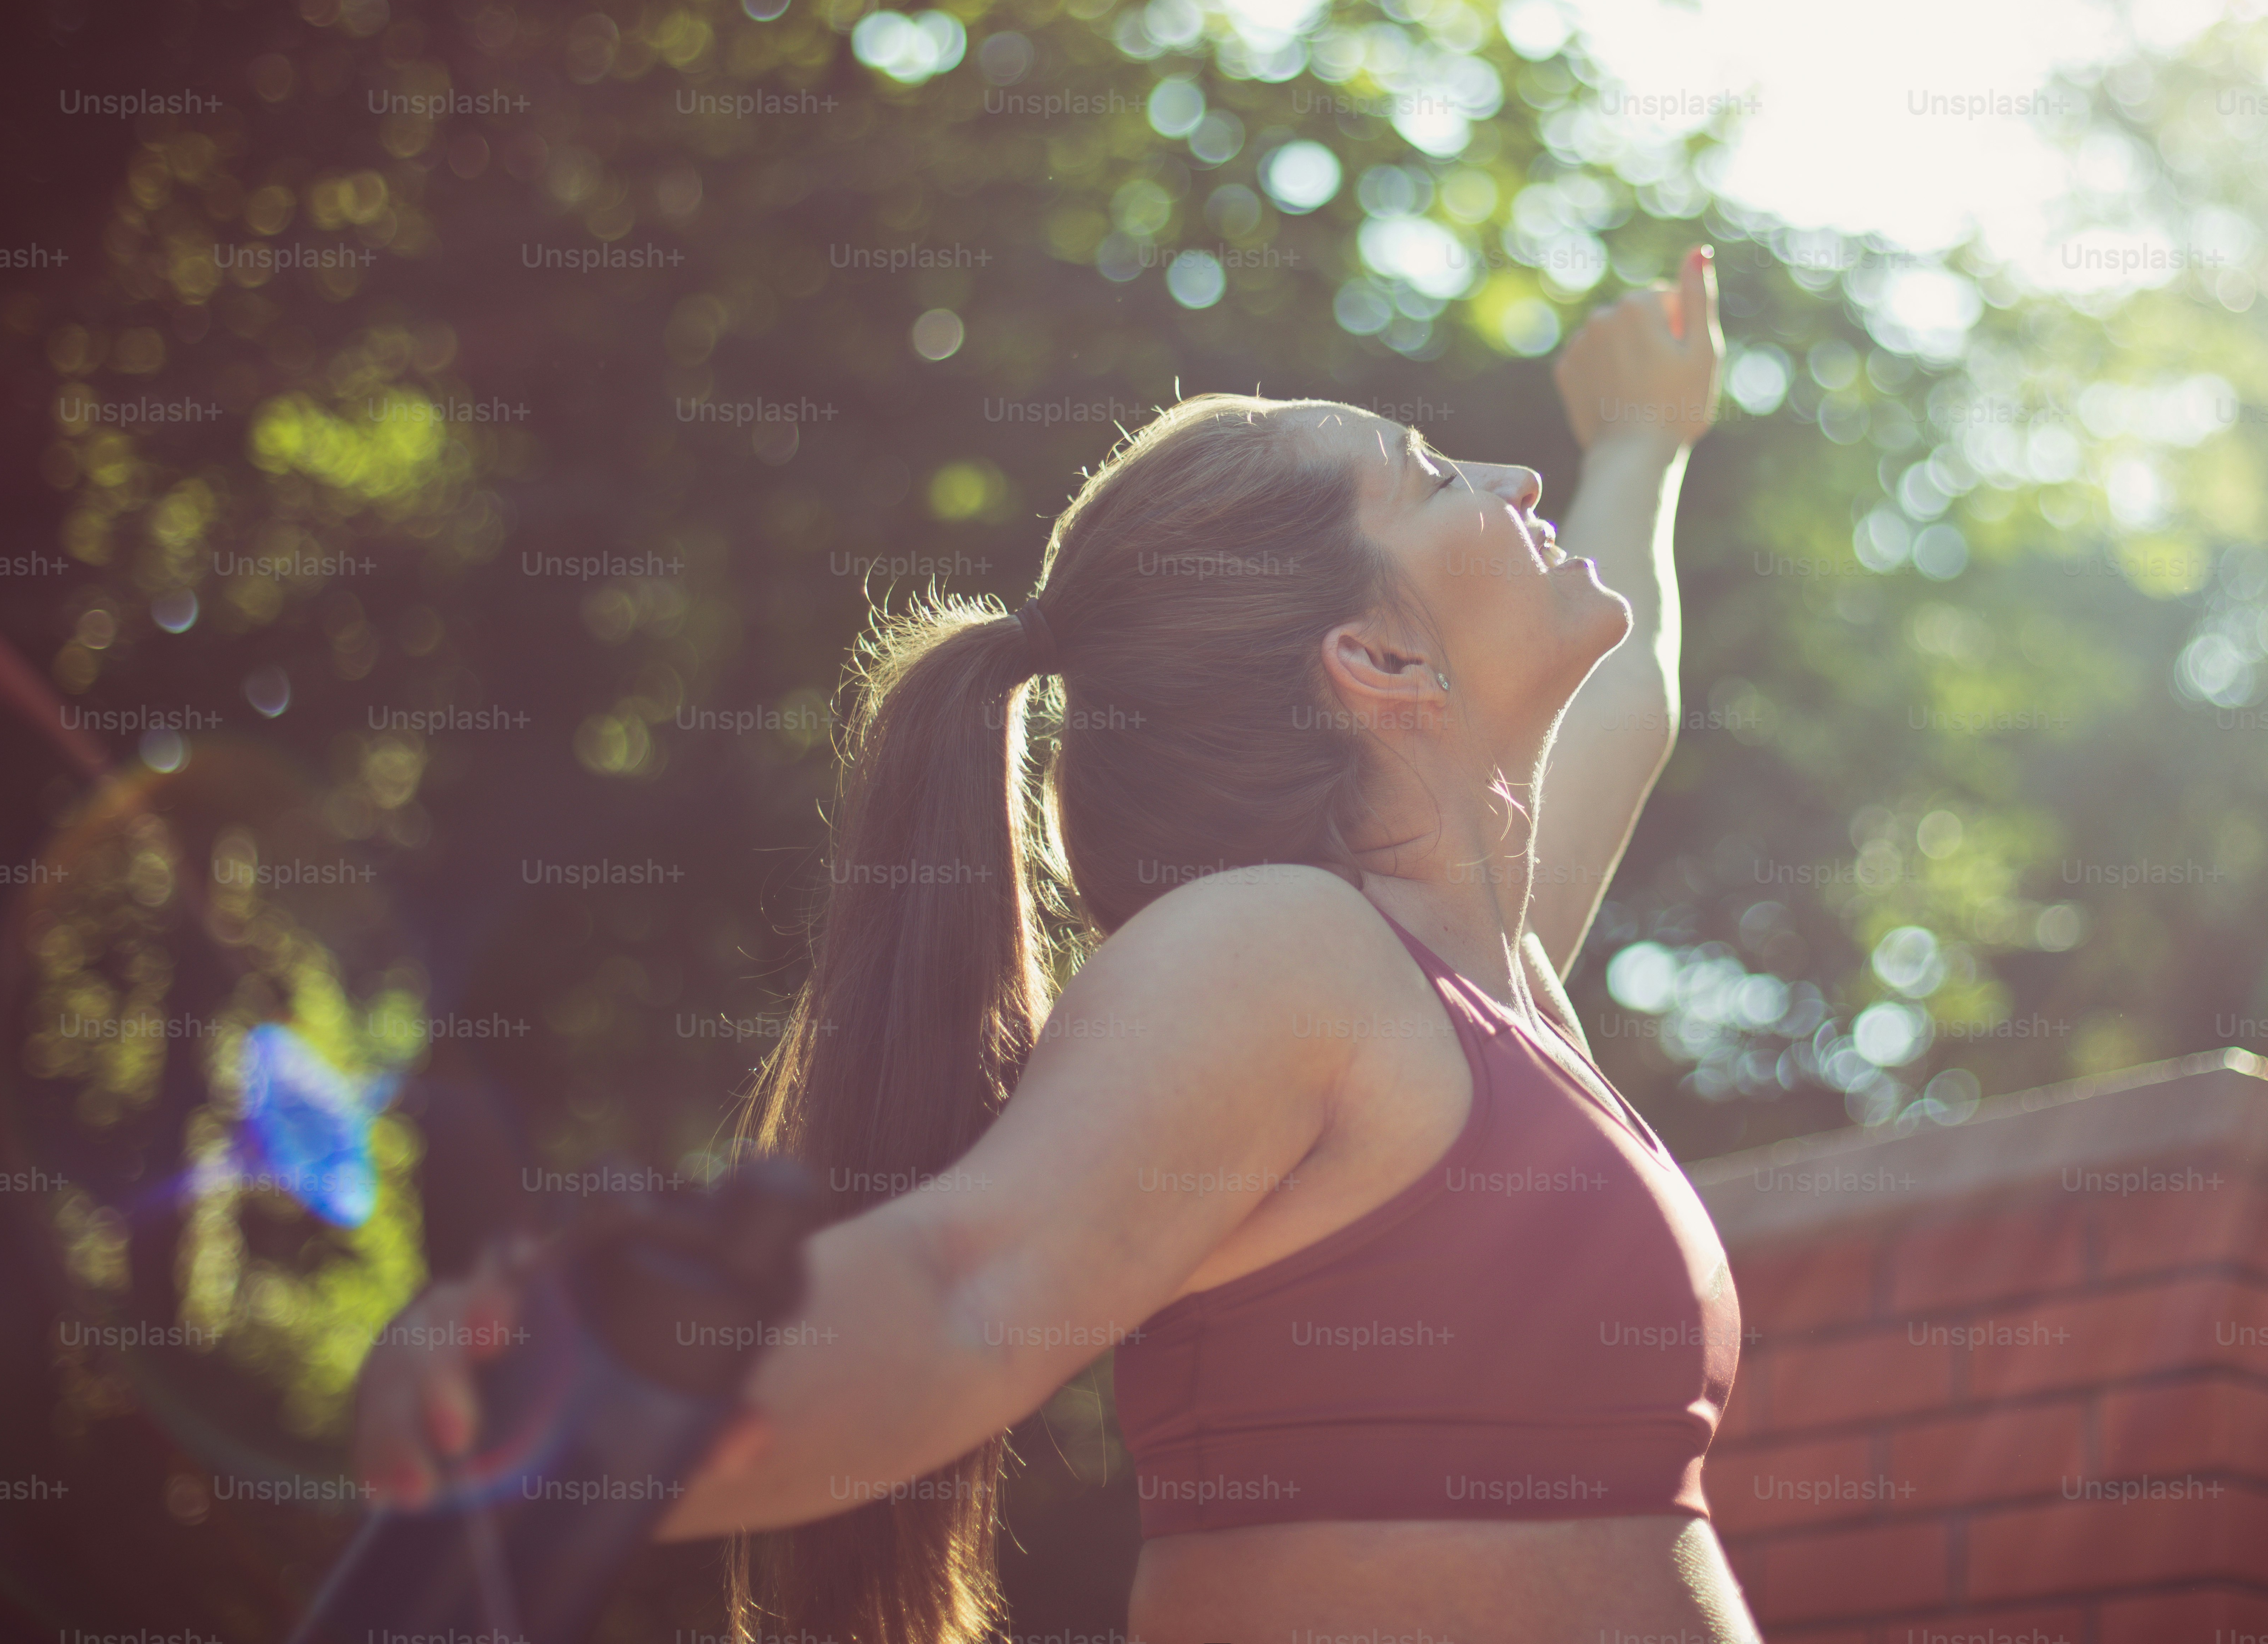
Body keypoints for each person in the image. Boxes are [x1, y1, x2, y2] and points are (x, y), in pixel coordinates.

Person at [354, 250, 1751, 1644]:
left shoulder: (1482, 982)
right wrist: (559, 1387)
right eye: (1436, 477)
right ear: (1375, 661)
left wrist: (1641, 436)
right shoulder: (1283, 951)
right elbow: (960, 1289)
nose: (1514, 483)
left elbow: (1628, 706)